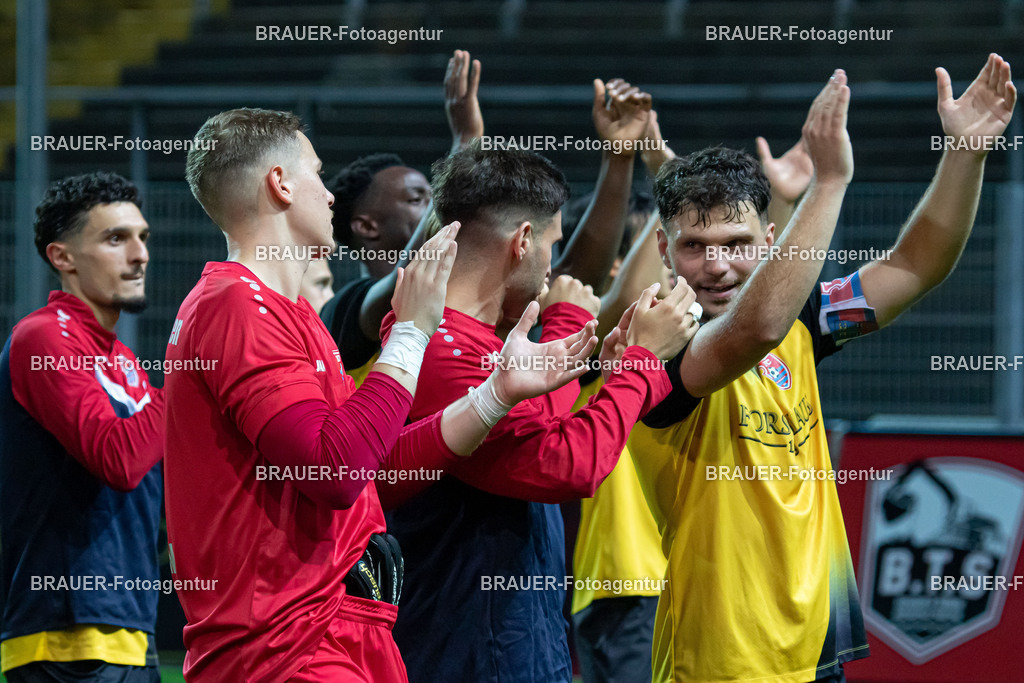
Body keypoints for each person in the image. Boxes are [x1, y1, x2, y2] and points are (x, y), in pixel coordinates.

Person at [165, 107, 599, 681]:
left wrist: (496, 394)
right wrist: (413, 333)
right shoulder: (235, 306)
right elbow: (336, 472)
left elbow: (372, 468)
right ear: (280, 183)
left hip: (331, 633)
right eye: (317, 175)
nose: (328, 195)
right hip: (282, 647)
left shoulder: (292, 314)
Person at [629, 55, 1015, 682]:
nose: (718, 266)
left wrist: (965, 156)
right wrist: (829, 181)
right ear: (663, 250)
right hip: (722, 661)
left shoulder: (807, 320)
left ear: (770, 238)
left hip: (815, 647)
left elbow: (916, 267)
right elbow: (754, 329)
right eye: (695, 246)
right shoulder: (653, 345)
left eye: (737, 244)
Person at [381, 139, 702, 683]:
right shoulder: (441, 348)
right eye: (553, 245)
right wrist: (642, 364)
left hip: (509, 638)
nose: (553, 267)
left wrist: (603, 360)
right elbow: (566, 462)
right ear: (523, 240)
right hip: (467, 653)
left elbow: (539, 420)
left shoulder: (472, 339)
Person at [572, 107, 814, 683]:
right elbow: (728, 286)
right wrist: (638, 165)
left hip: (673, 574)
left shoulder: (696, 330)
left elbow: (737, 260)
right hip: (623, 574)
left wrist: (663, 166)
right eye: (679, 245)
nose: (714, 262)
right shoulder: (616, 341)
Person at [0, 172, 164, 682]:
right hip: (65, 636)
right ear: (62, 258)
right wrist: (192, 374)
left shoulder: (125, 362)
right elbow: (118, 459)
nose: (139, 255)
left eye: (142, 237)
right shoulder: (42, 338)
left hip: (130, 629)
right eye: (116, 239)